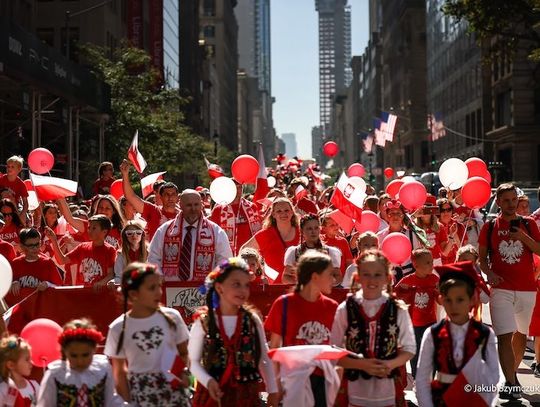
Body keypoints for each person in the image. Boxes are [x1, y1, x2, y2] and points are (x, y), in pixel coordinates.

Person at [478, 183, 540, 399]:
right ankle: (511, 383)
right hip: (500, 289)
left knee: (520, 335)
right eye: (506, 200)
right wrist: (490, 275)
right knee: (504, 336)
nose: (511, 204)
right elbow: (482, 260)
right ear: (498, 202)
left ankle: (510, 375)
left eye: (514, 200)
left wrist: (523, 237)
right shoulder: (489, 227)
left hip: (526, 289)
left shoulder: (529, 224)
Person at [330, 249, 415, 407]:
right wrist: (363, 365)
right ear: (357, 277)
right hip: (354, 392)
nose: (371, 280)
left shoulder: (397, 308)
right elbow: (333, 351)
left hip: (387, 392)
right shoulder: (346, 308)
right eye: (366, 274)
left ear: (387, 278)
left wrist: (388, 365)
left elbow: (409, 348)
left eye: (377, 274)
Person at [189, 258, 278, 406]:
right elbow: (193, 362)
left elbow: (264, 357)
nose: (243, 290)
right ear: (219, 288)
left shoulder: (252, 320)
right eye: (236, 284)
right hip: (213, 395)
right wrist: (208, 381)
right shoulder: (204, 321)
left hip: (245, 396)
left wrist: (273, 390)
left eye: (246, 285)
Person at [104, 262, 190, 406]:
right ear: (133, 294)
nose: (159, 292)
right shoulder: (118, 328)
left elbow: (184, 352)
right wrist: (127, 402)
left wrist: (182, 374)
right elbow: (119, 372)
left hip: (174, 390)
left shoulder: (172, 317)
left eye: (159, 286)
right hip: (140, 394)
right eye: (152, 288)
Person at [416, 261, 500, 406]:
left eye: (460, 300)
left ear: (472, 300)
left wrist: (485, 400)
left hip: (474, 398)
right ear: (441, 300)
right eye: (448, 300)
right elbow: (423, 377)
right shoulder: (433, 334)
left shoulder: (485, 334)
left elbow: (495, 375)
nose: (454, 306)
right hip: (442, 399)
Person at [265, 251, 338, 407]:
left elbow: (337, 350)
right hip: (291, 382)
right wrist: (275, 386)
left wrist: (335, 389)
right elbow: (274, 349)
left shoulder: (332, 307)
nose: (334, 279)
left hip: (323, 382)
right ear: (315, 277)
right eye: (330, 274)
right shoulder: (283, 304)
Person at [148, 189, 232, 281]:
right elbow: (153, 258)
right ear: (180, 205)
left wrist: (212, 280)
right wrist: (159, 278)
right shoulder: (164, 231)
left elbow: (225, 261)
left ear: (201, 204)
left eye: (196, 205)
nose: (193, 209)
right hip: (170, 290)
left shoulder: (216, 232)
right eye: (189, 205)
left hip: (204, 290)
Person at [37, 318, 125, 406]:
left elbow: (110, 400)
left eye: (85, 355)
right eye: (74, 356)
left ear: (94, 349)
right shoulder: (56, 375)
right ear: (65, 351)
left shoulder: (102, 371)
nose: (80, 361)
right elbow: (45, 404)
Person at [394, 248, 439, 378]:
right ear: (416, 265)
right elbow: (396, 299)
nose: (432, 265)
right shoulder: (407, 281)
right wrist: (404, 292)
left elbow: (440, 300)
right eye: (428, 263)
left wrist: (440, 291)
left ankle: (431, 377)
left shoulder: (434, 279)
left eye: (431, 262)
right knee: (416, 350)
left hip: (430, 321)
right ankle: (416, 377)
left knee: (432, 349)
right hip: (413, 323)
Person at [46, 214, 116, 287]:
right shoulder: (82, 247)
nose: (89, 231)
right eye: (89, 227)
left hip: (99, 295)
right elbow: (62, 260)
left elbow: (110, 274)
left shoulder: (110, 250)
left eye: (94, 228)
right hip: (81, 293)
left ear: (104, 232)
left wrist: (101, 283)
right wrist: (53, 240)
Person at [241, 197, 300, 283]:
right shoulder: (266, 234)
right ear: (273, 214)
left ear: (292, 212)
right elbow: (244, 251)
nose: (283, 214)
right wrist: (258, 268)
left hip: (297, 286)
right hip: (272, 288)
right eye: (279, 211)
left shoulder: (302, 232)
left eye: (286, 210)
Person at [120, 160, 179, 240]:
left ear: (177, 197)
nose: (170, 197)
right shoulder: (153, 211)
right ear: (160, 197)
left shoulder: (183, 215)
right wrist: (125, 174)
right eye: (166, 194)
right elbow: (130, 196)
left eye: (173, 194)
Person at [282, 214, 341, 285]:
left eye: (316, 228)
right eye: (309, 228)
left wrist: (325, 283)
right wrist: (303, 284)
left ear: (320, 229)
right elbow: (285, 277)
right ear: (302, 231)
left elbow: (338, 277)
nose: (313, 231)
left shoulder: (330, 252)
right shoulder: (294, 252)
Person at [210, 180, 262, 254]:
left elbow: (259, 232)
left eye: (240, 187)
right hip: (226, 254)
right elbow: (213, 234)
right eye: (234, 188)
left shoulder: (251, 207)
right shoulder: (218, 210)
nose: (238, 190)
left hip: (248, 254)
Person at [58, 195, 125, 250]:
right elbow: (70, 219)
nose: (103, 210)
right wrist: (61, 196)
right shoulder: (89, 225)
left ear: (114, 211)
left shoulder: (121, 231)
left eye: (107, 208)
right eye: (100, 207)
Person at [10, 228, 63, 295]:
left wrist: (48, 284)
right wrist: (13, 283)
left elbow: (60, 287)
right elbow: (4, 288)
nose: (35, 248)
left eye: (37, 244)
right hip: (22, 304)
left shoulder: (48, 263)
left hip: (42, 304)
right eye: (31, 246)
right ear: (22, 246)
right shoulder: (15, 264)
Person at [0, 335, 39, 406]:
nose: (32, 363)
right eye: (27, 359)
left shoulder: (35, 386)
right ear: (11, 365)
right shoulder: (2, 390)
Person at [414, 196, 450, 266]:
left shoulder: (439, 227)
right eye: (423, 208)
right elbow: (403, 225)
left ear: (433, 209)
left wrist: (451, 236)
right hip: (419, 262)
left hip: (435, 261)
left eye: (428, 208)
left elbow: (445, 252)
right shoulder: (413, 226)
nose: (426, 211)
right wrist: (415, 215)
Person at [319, 209, 354, 275]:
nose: (336, 227)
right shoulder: (320, 241)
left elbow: (349, 262)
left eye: (337, 224)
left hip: (341, 281)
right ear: (323, 228)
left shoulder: (342, 241)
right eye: (332, 225)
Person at [437, 198, 467, 264]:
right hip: (440, 265)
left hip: (456, 264)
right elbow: (445, 253)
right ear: (438, 212)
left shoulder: (459, 226)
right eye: (442, 210)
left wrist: (454, 235)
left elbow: (464, 251)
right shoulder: (435, 227)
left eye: (449, 210)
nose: (446, 212)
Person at [0, 156, 28, 225]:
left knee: (25, 220)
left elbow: (25, 202)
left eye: (12, 167)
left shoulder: (21, 184)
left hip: (14, 207)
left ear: (19, 169)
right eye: (8, 166)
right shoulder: (1, 179)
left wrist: (24, 213)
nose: (9, 168)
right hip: (1, 204)